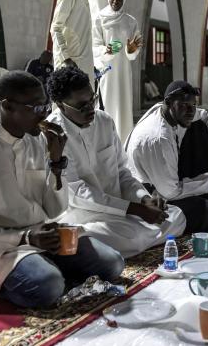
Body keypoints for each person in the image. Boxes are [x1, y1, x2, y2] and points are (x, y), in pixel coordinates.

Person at [0, 71, 124, 308]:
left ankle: (46, 269)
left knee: (113, 264)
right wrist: (25, 237)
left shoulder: (38, 140)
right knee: (48, 286)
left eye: (46, 106)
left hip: (40, 235)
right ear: (7, 106)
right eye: (37, 108)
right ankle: (41, 275)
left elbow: (55, 210)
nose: (45, 115)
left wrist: (56, 164)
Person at [47, 67, 185, 258]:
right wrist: (135, 209)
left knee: (177, 215)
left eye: (92, 100)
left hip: (121, 208)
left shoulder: (104, 121)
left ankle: (104, 244)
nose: (90, 110)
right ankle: (78, 237)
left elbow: (123, 172)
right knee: (133, 236)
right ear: (61, 105)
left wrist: (144, 199)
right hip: (85, 214)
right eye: (82, 106)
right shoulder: (54, 135)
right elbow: (77, 193)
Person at [125, 80, 208, 233]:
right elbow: (170, 192)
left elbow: (204, 116)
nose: (191, 111)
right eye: (185, 105)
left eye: (193, 105)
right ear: (168, 102)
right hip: (152, 195)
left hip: (167, 182)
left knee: (200, 127)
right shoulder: (159, 139)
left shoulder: (171, 112)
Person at [92, 0, 143, 141]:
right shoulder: (99, 18)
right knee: (108, 103)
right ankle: (107, 141)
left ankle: (124, 142)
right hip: (107, 70)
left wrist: (131, 50)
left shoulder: (130, 21)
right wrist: (106, 51)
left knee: (124, 106)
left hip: (124, 71)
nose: (115, 1)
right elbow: (94, 45)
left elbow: (134, 48)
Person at [50, 0, 97, 84]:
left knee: (85, 103)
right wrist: (66, 59)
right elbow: (56, 28)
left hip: (83, 64)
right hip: (71, 65)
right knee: (66, 103)